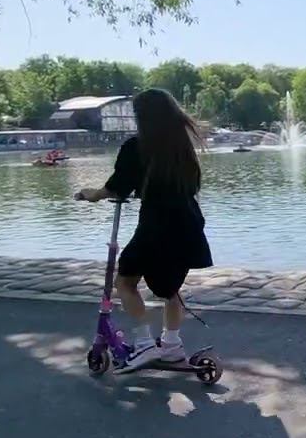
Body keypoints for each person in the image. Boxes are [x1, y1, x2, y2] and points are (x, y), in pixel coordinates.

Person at [75, 88, 213, 372]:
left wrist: (91, 194)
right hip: (188, 225)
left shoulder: (136, 147)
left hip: (156, 226)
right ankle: (172, 346)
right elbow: (192, 185)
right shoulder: (182, 148)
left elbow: (116, 188)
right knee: (171, 290)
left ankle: (145, 344)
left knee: (125, 283)